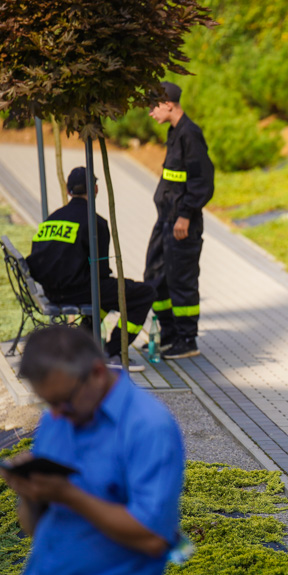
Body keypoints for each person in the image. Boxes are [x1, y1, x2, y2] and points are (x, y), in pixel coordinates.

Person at [0, 326, 185, 575]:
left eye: (62, 401)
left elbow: (153, 539)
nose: (55, 414)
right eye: (47, 403)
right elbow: (36, 528)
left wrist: (70, 495)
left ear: (97, 372)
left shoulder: (149, 426)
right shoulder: (57, 417)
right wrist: (31, 494)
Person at [26, 167, 156, 372]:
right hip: (78, 290)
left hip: (51, 291)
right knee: (144, 293)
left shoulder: (51, 219)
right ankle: (113, 352)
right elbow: (101, 272)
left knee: (106, 293)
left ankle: (85, 344)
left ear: (69, 191)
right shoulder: (96, 222)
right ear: (95, 189)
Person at [144, 81, 215, 360]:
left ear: (168, 105)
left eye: (153, 106)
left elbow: (202, 182)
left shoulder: (190, 134)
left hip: (181, 223)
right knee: (155, 276)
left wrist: (185, 215)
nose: (150, 113)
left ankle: (187, 339)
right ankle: (170, 333)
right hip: (166, 220)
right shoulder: (175, 133)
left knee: (181, 280)